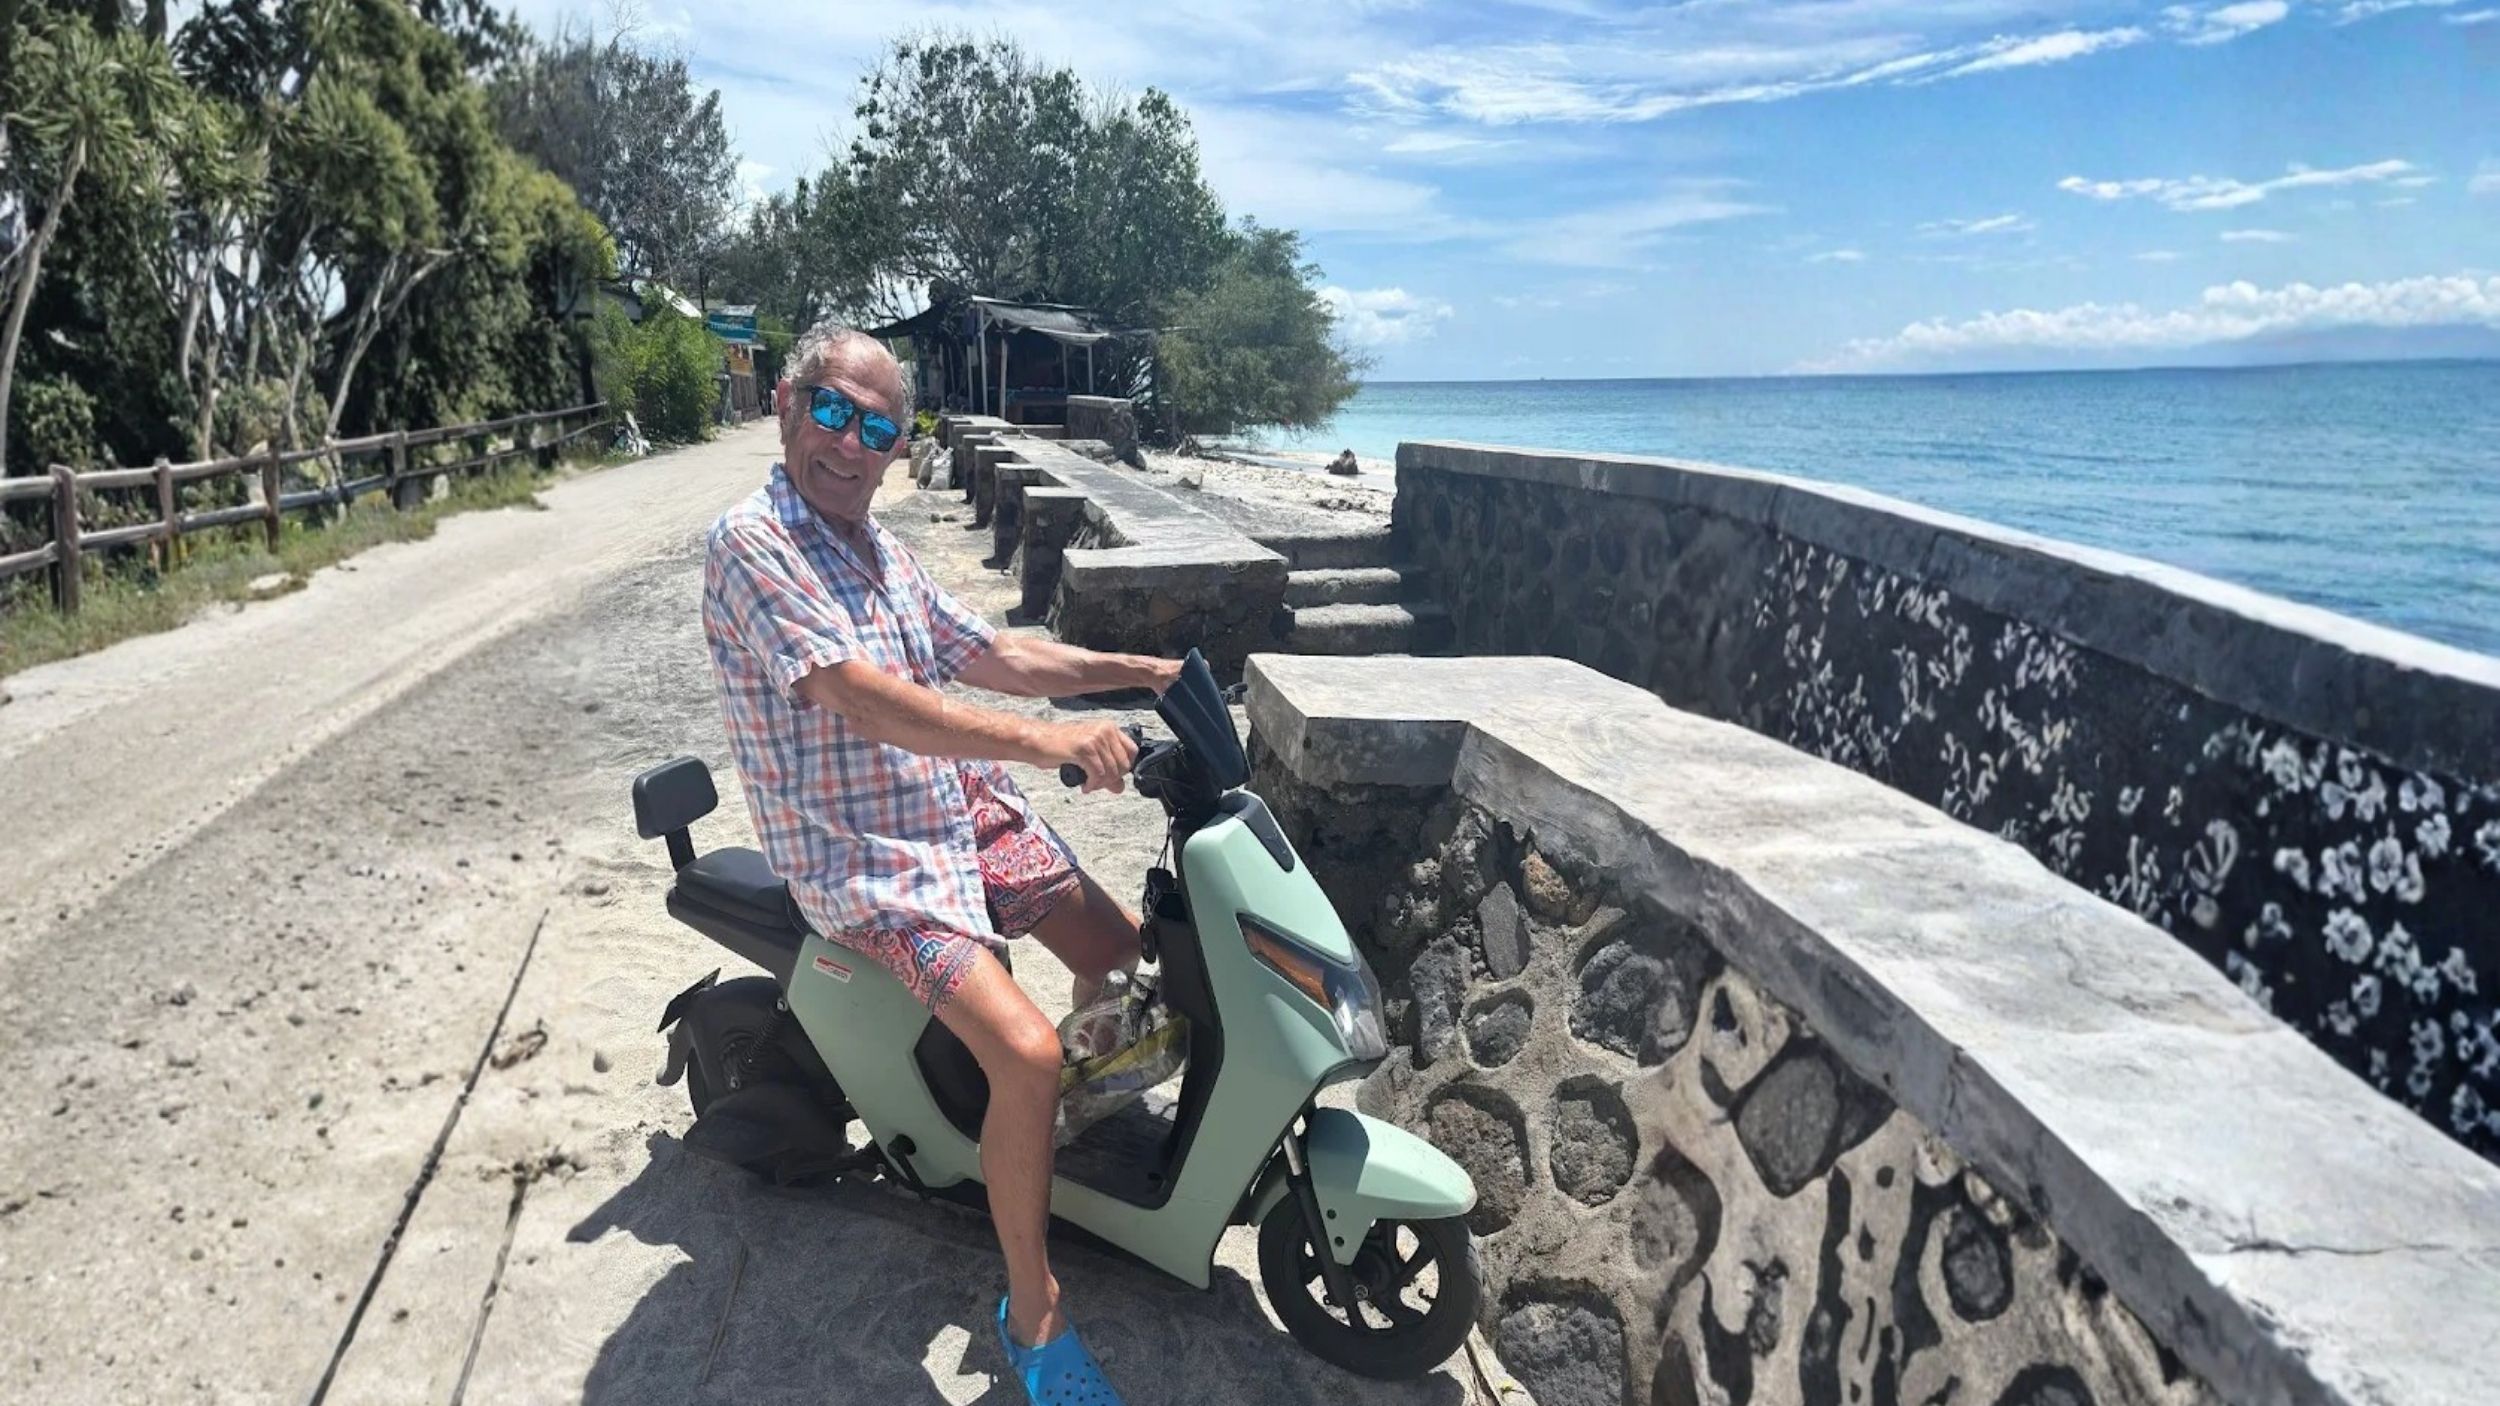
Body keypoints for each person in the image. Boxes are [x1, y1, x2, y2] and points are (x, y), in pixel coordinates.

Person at [700, 317, 1173, 1406]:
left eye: (877, 426)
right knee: (1026, 1051)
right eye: (830, 410)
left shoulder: (880, 549)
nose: (849, 442)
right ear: (786, 405)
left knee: (1126, 955)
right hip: (860, 853)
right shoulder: (752, 543)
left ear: (897, 445)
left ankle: (1033, 1137)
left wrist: (1136, 667)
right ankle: (1034, 1308)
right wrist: (1048, 740)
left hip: (951, 807)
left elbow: (995, 651)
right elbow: (859, 694)